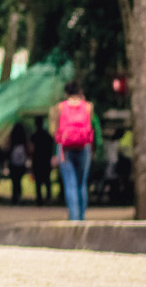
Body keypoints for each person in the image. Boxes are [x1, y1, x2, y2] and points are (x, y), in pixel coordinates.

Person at [49, 80, 99, 220]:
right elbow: (91, 127)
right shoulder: (88, 107)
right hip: (84, 147)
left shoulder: (60, 107)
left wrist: (55, 153)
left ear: (66, 93)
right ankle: (81, 217)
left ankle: (74, 218)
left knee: (70, 183)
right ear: (80, 92)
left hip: (65, 148)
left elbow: (55, 131)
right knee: (81, 184)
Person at [6, 121, 31, 206]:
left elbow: (7, 148)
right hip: (21, 163)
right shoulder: (24, 140)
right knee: (19, 181)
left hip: (13, 163)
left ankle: (14, 198)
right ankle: (19, 197)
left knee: (14, 181)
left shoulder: (12, 139)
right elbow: (28, 150)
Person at [31, 121, 56, 204]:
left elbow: (31, 149)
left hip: (37, 159)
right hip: (45, 159)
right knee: (47, 179)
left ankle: (39, 198)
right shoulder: (48, 136)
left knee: (38, 181)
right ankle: (48, 197)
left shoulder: (34, 136)